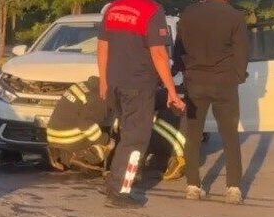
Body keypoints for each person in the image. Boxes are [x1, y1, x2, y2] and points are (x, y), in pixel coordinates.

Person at [97, 0, 186, 208]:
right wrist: (171, 90)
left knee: (126, 133)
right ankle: (120, 192)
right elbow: (159, 54)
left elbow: (102, 45)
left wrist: (104, 79)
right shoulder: (152, 10)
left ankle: (113, 181)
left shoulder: (114, 8)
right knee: (136, 139)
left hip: (114, 83)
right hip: (138, 85)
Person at [173, 0, 250, 203]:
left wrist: (182, 71)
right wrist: (237, 77)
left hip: (196, 82)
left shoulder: (189, 13)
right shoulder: (235, 17)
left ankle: (193, 185)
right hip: (224, 82)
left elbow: (179, 49)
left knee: (193, 134)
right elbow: (242, 54)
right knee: (229, 135)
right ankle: (233, 187)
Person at [46, 76, 185, 181]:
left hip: (54, 136)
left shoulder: (90, 86)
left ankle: (61, 154)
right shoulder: (102, 97)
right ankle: (84, 156)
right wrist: (106, 141)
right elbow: (85, 124)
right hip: (69, 138)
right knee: (107, 142)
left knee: (109, 133)